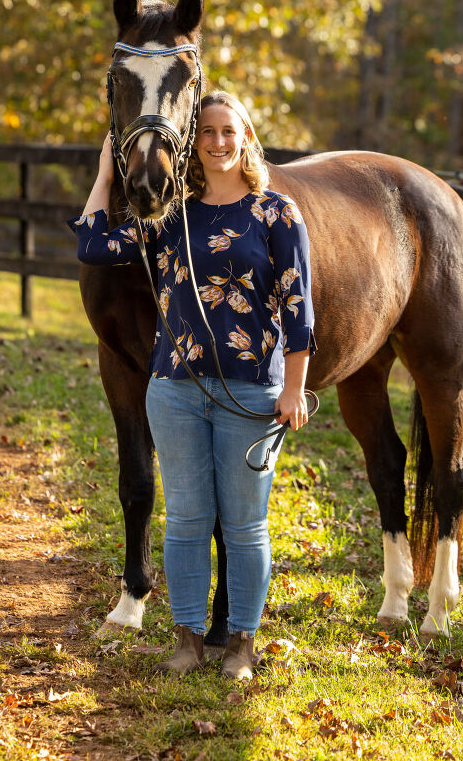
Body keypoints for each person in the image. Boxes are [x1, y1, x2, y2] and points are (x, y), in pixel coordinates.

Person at [69, 91, 315, 680]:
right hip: (175, 389)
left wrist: (293, 390)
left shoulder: (277, 213)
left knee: (246, 524)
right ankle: (185, 640)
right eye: (205, 132)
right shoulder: (168, 218)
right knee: (182, 519)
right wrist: (106, 176)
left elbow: (299, 308)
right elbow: (92, 245)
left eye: (228, 131)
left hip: (252, 391)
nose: (217, 142)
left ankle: (240, 647)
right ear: (190, 143)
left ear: (246, 137)